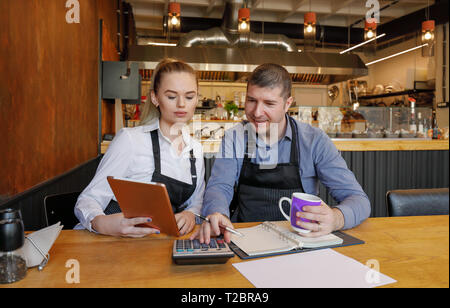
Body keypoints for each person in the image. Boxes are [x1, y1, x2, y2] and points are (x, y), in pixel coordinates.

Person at [191, 63, 371, 244]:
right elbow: (220, 187)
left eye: (269, 103)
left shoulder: (314, 140)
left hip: (301, 242)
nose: (256, 112)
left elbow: (358, 200)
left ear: (287, 104)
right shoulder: (234, 137)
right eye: (251, 100)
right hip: (244, 239)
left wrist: (335, 218)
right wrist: (217, 213)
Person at [75, 58, 205, 237]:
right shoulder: (131, 140)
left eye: (189, 96)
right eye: (172, 96)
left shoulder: (195, 149)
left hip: (159, 246)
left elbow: (196, 202)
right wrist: (103, 223)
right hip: (115, 244)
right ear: (155, 97)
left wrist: (191, 214)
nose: (182, 104)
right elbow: (87, 200)